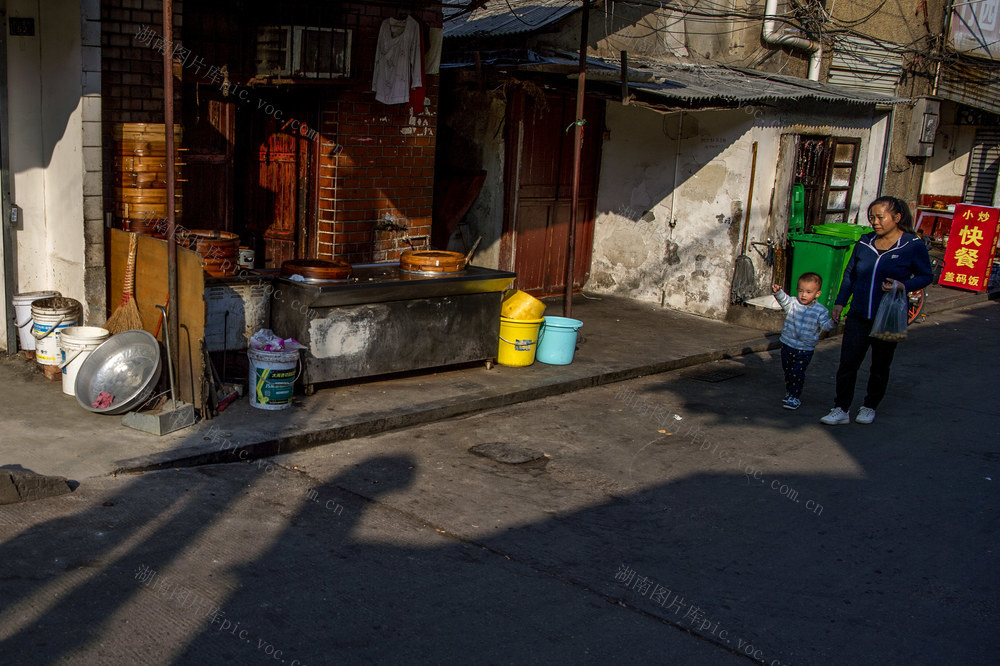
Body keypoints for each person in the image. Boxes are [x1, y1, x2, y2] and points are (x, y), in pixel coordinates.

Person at [820, 196, 933, 425]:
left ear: (897, 218)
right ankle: (840, 408)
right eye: (872, 217)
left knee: (880, 365)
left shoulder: (912, 245)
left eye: (880, 217)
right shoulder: (864, 242)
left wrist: (903, 286)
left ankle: (869, 406)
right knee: (848, 363)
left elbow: (926, 275)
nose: (875, 222)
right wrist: (840, 302)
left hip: (890, 315)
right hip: (859, 314)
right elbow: (850, 274)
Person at [772, 273, 837, 410]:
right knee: (788, 371)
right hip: (787, 344)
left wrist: (834, 322)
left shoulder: (820, 310)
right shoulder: (793, 304)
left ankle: (795, 397)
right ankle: (790, 392)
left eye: (808, 292)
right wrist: (778, 292)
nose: (803, 295)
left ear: (817, 293)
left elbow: (825, 325)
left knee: (797, 372)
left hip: (805, 349)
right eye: (801, 291)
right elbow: (784, 300)